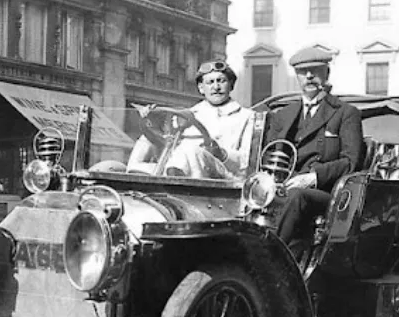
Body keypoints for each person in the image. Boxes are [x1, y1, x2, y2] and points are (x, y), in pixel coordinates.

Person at [264, 46, 364, 258]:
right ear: (297, 77)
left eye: (315, 70)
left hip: (326, 194)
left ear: (326, 74)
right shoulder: (283, 115)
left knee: (297, 196)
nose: (309, 76)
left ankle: (269, 258)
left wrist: (312, 178)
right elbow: (268, 155)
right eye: (303, 72)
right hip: (283, 186)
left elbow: (350, 161)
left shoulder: (346, 113)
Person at [126, 60, 255, 179]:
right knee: (144, 141)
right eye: (210, 82)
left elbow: (247, 163)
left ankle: (175, 183)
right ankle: (130, 183)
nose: (216, 87)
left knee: (192, 150)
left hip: (223, 177)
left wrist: (221, 153)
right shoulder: (188, 114)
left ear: (231, 85)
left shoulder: (246, 116)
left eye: (221, 81)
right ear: (201, 88)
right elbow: (168, 144)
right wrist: (154, 125)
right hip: (184, 169)